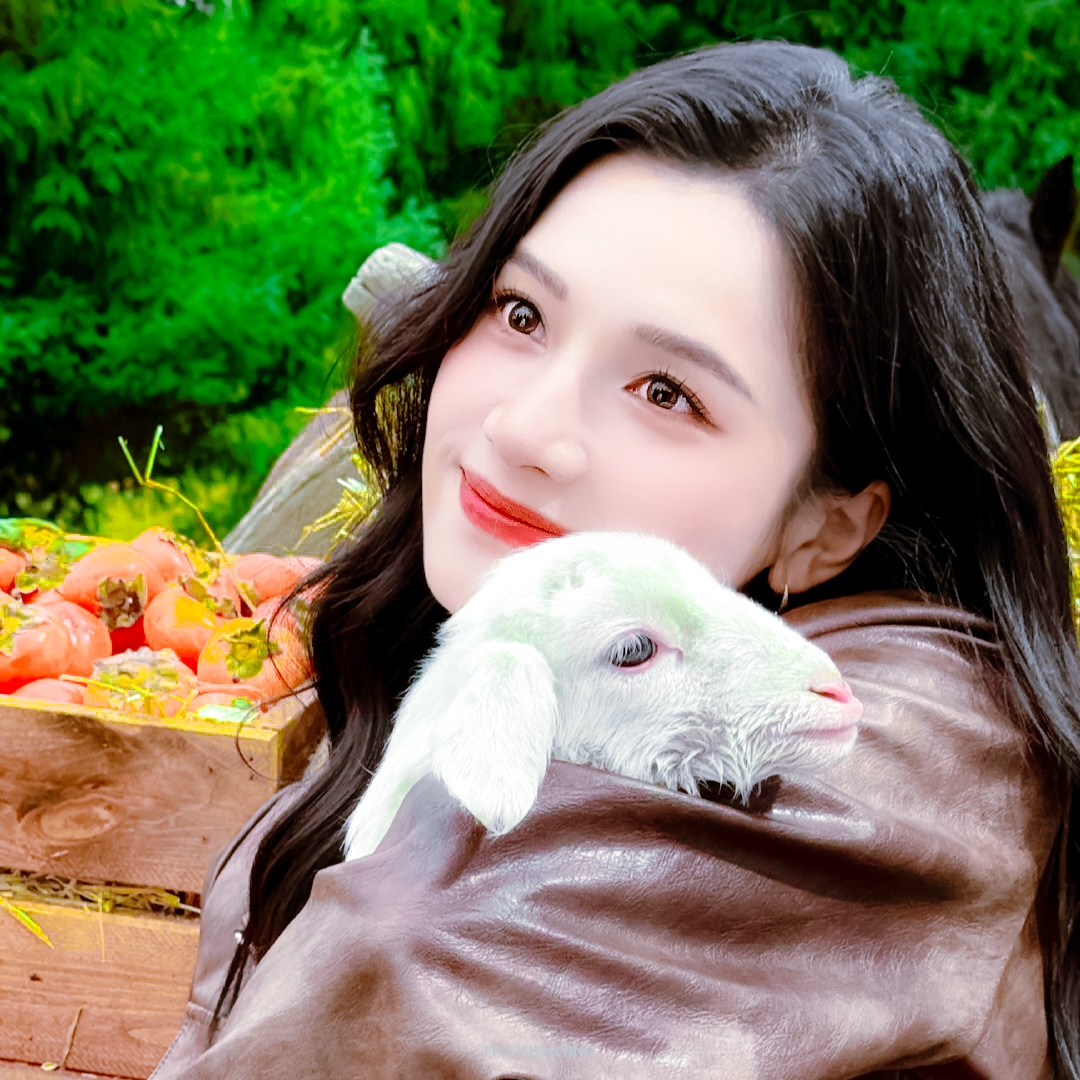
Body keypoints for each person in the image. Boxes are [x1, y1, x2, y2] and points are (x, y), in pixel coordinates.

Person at [151, 40, 1079, 1079]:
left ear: (826, 526)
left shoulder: (857, 760)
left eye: (667, 393)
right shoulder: (524, 658)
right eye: (521, 313)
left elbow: (396, 975)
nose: (524, 428)